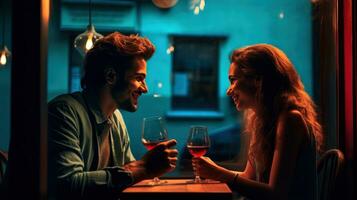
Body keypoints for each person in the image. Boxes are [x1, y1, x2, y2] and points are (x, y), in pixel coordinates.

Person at [48, 32, 178, 199]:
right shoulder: (64, 112)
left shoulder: (116, 118)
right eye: (139, 78)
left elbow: (129, 174)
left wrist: (141, 169)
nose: (144, 89)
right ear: (111, 76)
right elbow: (66, 186)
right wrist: (144, 168)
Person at [192, 44, 323, 200]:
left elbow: (276, 194)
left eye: (233, 80)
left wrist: (219, 173)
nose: (229, 90)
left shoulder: (290, 119)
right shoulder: (261, 120)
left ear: (258, 81)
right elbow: (248, 177)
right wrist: (216, 171)